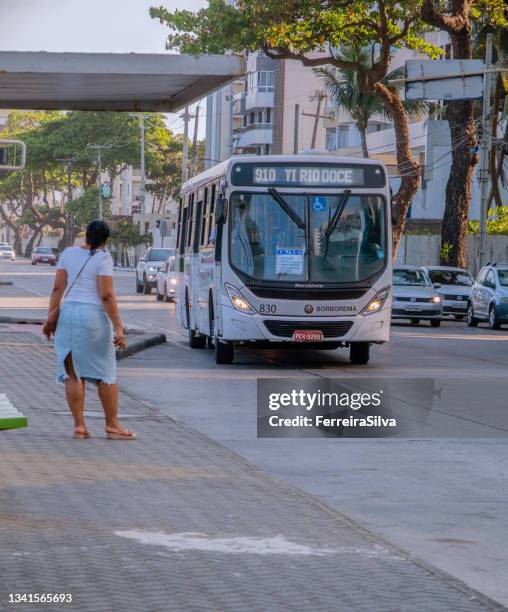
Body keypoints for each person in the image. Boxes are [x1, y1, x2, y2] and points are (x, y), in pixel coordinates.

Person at [42, 220, 136, 440]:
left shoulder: (67, 253)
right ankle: (112, 424)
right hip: (92, 317)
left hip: (68, 315)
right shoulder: (103, 258)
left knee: (73, 374)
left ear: (86, 236)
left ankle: (80, 426)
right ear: (105, 240)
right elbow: (106, 295)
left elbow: (58, 288)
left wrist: (51, 317)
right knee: (105, 373)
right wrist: (119, 327)